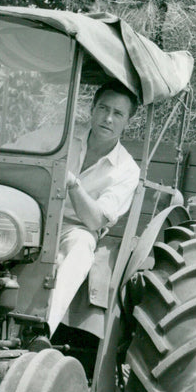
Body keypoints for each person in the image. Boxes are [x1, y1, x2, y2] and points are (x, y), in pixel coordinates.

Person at [45, 80, 140, 335]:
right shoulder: (58, 135)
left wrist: (73, 184)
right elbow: (15, 151)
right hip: (36, 215)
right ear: (92, 109)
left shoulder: (127, 170)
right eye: (103, 108)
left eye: (118, 113)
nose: (108, 118)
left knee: (81, 245)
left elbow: (96, 221)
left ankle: (44, 329)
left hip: (74, 229)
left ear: (128, 121)